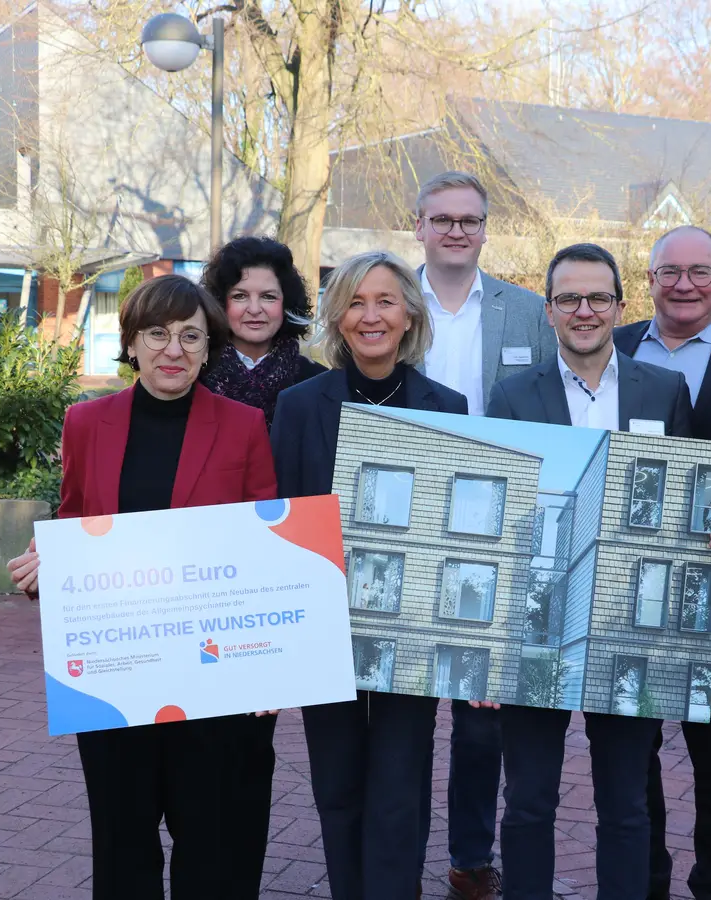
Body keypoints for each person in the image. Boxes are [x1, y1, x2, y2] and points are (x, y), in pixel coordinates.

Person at [5, 275, 281, 899]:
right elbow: (76, 521)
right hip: (115, 675)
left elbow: (262, 549)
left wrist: (271, 669)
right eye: (157, 334)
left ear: (210, 348)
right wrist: (48, 562)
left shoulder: (243, 426)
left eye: (190, 336)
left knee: (210, 847)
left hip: (213, 676)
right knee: (123, 842)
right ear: (130, 343)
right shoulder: (86, 422)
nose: (173, 350)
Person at [481, 242, 711, 900]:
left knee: (627, 807)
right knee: (530, 803)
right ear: (549, 311)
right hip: (536, 632)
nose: (585, 310)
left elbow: (682, 506)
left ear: (622, 305)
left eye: (598, 297)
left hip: (631, 630)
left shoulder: (664, 391)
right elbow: (500, 524)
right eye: (569, 298)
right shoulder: (512, 397)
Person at [269, 250, 468, 899]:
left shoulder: (449, 407)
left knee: (400, 786)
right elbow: (281, 523)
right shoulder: (299, 406)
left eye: (385, 300)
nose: (371, 315)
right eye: (356, 301)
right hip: (327, 629)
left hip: (412, 632)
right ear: (337, 316)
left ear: (409, 313)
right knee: (339, 788)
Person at [410, 170, 557, 900]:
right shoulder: (387, 300)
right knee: (401, 704)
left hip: (499, 527)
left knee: (480, 715)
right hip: (410, 519)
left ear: (485, 229)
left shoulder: (529, 314)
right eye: (443, 219)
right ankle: (397, 850)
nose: (457, 231)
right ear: (420, 227)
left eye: (470, 220)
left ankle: (471, 856)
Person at [612, 225, 711, 900]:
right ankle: (647, 886)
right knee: (629, 761)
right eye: (669, 271)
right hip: (628, 591)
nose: (685, 284)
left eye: (701, 272)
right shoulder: (608, 348)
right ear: (648, 280)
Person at [197, 236, 327, 428]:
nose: (255, 309)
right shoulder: (195, 375)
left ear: (287, 303)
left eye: (268, 296)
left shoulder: (318, 383)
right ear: (220, 303)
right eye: (240, 296)